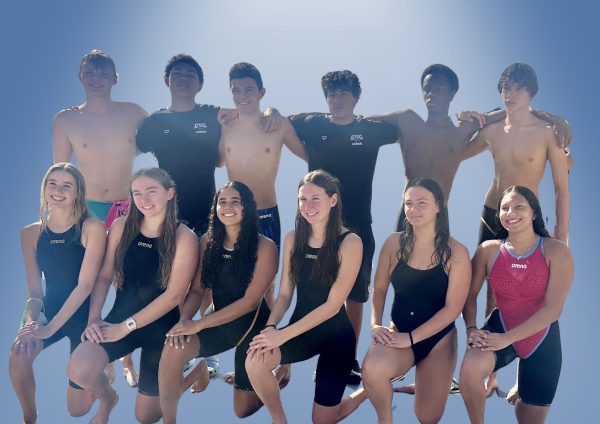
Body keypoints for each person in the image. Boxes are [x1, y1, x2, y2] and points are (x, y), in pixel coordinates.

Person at [462, 63, 571, 395]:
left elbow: (561, 189)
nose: (510, 94)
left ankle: (526, 373)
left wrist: (562, 239)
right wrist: (472, 121)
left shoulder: (547, 131)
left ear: (531, 92)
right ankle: (490, 371)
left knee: (534, 295)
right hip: (491, 214)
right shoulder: (493, 130)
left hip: (528, 220)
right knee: (489, 292)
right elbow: (457, 153)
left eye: (517, 88)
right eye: (505, 88)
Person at [289, 70, 399, 385]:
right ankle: (317, 349)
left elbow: (402, 124)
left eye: (344, 94)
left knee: (355, 295)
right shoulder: (314, 125)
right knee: (315, 290)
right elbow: (281, 120)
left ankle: (347, 357)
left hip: (359, 227)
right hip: (318, 226)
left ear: (356, 98)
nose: (337, 100)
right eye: (332, 94)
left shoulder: (371, 130)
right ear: (326, 98)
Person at [66, 168, 199, 424]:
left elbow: (174, 296)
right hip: (117, 320)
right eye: (137, 193)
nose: (144, 199)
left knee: (145, 417)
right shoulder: (121, 226)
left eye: (152, 191)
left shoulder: (185, 237)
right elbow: (104, 277)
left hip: (160, 330)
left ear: (169, 193)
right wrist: (94, 318)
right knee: (79, 373)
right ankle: (109, 398)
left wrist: (126, 328)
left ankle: (194, 374)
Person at [369, 64, 570, 232]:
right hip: (417, 211)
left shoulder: (465, 130)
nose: (431, 94)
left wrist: (553, 118)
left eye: (439, 89)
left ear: (452, 93)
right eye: (427, 89)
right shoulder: (408, 120)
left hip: (448, 214)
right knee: (396, 267)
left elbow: (508, 112)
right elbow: (363, 121)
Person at [53, 49, 147, 387]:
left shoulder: (133, 113)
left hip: (127, 206)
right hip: (88, 209)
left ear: (115, 77)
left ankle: (125, 356)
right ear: (80, 76)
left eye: (103, 70)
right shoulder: (66, 120)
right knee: (88, 281)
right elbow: (60, 171)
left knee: (126, 279)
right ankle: (93, 351)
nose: (96, 76)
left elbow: (162, 139)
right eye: (89, 70)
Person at [246, 170, 368, 424]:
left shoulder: (350, 242)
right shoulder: (293, 238)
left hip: (337, 336)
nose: (307, 206)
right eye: (302, 199)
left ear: (333, 200)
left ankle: (368, 389)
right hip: (301, 332)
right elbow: (285, 294)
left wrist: (281, 336)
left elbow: (333, 305)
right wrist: (270, 329)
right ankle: (279, 420)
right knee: (255, 361)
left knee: (322, 420)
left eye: (315, 199)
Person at [158, 181, 286, 423]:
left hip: (252, 330)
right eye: (222, 202)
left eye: (235, 202)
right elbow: (197, 289)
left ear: (246, 208)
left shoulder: (265, 247)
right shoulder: (207, 241)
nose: (227, 207)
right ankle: (171, 417)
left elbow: (250, 302)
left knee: (242, 411)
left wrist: (198, 325)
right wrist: (185, 320)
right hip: (218, 325)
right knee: (172, 348)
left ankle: (276, 374)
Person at [460, 186, 573, 424]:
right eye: (504, 208)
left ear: (534, 213)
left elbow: (554, 309)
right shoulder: (488, 251)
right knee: (470, 368)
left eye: (519, 206)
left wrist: (508, 338)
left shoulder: (555, 251)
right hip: (502, 324)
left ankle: (523, 383)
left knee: (526, 418)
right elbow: (469, 295)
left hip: (541, 339)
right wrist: (471, 328)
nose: (511, 212)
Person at [361, 178, 471, 424]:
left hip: (437, 342)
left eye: (422, 203)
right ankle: (385, 419)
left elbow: (453, 309)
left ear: (438, 206)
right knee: (372, 368)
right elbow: (378, 290)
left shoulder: (457, 252)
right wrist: (375, 324)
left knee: (427, 416)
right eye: (409, 203)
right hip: (399, 332)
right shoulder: (393, 243)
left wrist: (410, 339)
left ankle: (427, 382)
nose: (414, 209)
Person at [9, 163, 106, 424]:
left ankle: (106, 388)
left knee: (77, 411)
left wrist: (49, 329)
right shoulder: (30, 233)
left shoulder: (92, 228)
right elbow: (34, 291)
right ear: (44, 188)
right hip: (49, 309)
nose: (58, 190)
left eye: (67, 185)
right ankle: (30, 416)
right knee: (18, 354)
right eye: (52, 183)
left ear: (78, 192)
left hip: (81, 315)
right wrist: (31, 322)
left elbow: (85, 286)